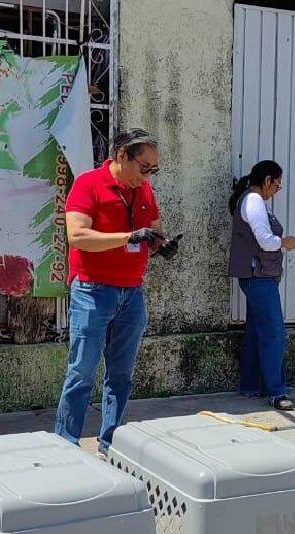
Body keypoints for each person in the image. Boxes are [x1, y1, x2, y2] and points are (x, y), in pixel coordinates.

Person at [55, 128, 171, 453]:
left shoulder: (144, 190)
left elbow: (155, 231)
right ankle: (65, 445)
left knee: (121, 375)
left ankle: (111, 444)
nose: (147, 176)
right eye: (144, 168)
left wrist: (163, 244)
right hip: (93, 290)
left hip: (132, 293)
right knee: (82, 373)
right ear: (122, 156)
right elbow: (77, 236)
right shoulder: (88, 184)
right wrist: (129, 237)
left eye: (153, 170)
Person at [228, 160, 295, 411]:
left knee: (256, 330)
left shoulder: (250, 200)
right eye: (277, 186)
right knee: (274, 332)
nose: (276, 192)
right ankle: (276, 391)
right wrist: (286, 242)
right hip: (258, 274)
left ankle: (252, 384)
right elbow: (265, 240)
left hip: (256, 274)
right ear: (268, 180)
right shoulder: (254, 201)